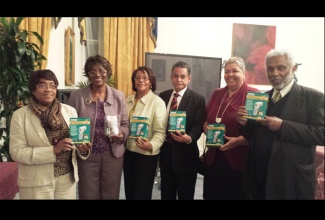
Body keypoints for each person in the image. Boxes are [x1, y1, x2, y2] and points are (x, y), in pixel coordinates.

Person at [236, 49, 324, 200]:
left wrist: (283, 126)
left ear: (293, 68)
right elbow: (250, 135)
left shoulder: (314, 98)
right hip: (259, 178)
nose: (274, 73)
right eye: (270, 68)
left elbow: (321, 134)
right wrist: (243, 123)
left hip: (291, 180)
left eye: (281, 68)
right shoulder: (261, 98)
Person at [9, 69, 91, 199]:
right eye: (42, 85)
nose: (48, 89)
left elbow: (75, 144)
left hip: (66, 179)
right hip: (36, 182)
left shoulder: (70, 111)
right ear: (33, 89)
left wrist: (82, 149)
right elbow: (16, 152)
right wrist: (53, 150)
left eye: (52, 85)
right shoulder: (20, 116)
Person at [68, 55, 129, 199]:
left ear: (107, 72)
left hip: (112, 154)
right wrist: (77, 143)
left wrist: (122, 134)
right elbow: (69, 124)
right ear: (88, 74)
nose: (97, 74)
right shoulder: (77, 96)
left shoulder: (118, 96)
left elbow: (125, 124)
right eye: (92, 71)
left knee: (111, 193)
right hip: (88, 153)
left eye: (101, 70)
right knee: (88, 193)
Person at [202, 57, 260, 200]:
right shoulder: (217, 93)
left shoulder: (254, 94)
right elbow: (205, 120)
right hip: (213, 158)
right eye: (227, 71)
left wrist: (239, 141)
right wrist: (207, 130)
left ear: (244, 73)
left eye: (235, 71)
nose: (230, 74)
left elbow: (260, 131)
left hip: (238, 159)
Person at [159, 61, 206, 200]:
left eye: (183, 76)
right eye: (175, 76)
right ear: (171, 77)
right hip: (166, 153)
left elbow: (198, 125)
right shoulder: (163, 96)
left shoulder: (198, 99)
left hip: (186, 155)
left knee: (186, 194)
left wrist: (190, 138)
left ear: (189, 78)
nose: (179, 79)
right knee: (166, 193)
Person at [124, 66, 167, 200]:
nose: (140, 80)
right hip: (128, 153)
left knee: (142, 194)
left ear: (151, 82)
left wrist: (151, 145)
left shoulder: (157, 102)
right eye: (137, 78)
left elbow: (160, 132)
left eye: (144, 78)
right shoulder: (127, 100)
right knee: (129, 191)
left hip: (146, 155)